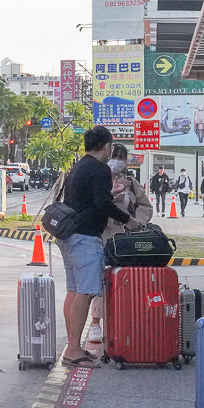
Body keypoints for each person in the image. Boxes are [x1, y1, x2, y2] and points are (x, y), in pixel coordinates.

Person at [55, 126, 144, 368]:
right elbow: (102, 203)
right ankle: (73, 350)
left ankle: (73, 346)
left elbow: (89, 200)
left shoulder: (78, 165)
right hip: (85, 237)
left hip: (68, 236)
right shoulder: (100, 169)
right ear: (106, 146)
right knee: (84, 292)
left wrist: (109, 198)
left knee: (74, 291)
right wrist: (129, 220)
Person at [86, 143, 153, 343]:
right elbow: (91, 204)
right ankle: (95, 323)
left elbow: (145, 206)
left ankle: (125, 320)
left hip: (125, 239)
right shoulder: (97, 178)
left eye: (122, 158)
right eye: (115, 156)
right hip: (100, 236)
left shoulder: (131, 182)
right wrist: (111, 197)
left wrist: (138, 223)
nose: (118, 162)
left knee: (126, 279)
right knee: (99, 280)